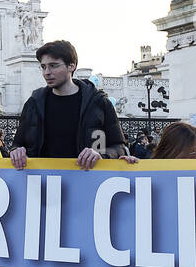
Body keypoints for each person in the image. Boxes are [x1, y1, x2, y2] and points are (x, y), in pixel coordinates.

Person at [10, 40, 127, 170]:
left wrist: (101, 155)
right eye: (43, 67)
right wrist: (16, 151)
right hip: (43, 183)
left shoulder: (99, 102)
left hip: (87, 182)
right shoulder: (34, 103)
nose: (46, 72)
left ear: (71, 66)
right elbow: (17, 144)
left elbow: (120, 148)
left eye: (53, 66)